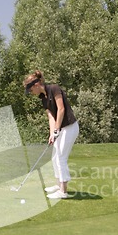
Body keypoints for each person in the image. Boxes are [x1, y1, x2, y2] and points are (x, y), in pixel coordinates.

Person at [23, 70, 79, 199]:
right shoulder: (43, 98)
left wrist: (57, 129)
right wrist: (52, 134)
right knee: (55, 157)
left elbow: (61, 109)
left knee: (61, 157)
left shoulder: (54, 88)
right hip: (60, 129)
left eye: (31, 90)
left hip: (69, 127)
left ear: (36, 85)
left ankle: (63, 191)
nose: (31, 93)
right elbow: (51, 117)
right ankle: (58, 185)